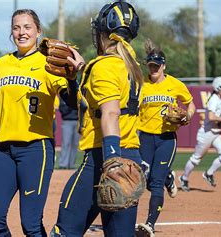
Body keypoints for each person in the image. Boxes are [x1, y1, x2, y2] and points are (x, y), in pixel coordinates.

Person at [0, 9, 78, 236]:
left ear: (38, 31)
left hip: (36, 149)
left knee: (31, 224)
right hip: (4, 150)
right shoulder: (1, 64)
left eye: (27, 27)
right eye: (16, 27)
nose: (21, 32)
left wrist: (72, 79)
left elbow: (71, 102)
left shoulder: (50, 64)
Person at [49, 1, 145, 236]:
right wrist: (76, 77)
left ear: (102, 31)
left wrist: (111, 161)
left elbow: (111, 112)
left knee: (64, 232)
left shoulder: (104, 66)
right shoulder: (133, 66)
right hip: (131, 158)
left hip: (102, 157)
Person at [135, 41, 196, 236]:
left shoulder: (175, 84)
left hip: (167, 139)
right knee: (143, 179)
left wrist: (187, 116)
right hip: (144, 137)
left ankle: (150, 225)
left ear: (164, 66)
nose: (153, 69)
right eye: (150, 65)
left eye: (157, 65)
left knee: (155, 182)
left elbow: (190, 104)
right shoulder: (141, 84)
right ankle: (169, 176)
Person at [179, 76, 221, 191]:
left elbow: (218, 117)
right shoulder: (214, 99)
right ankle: (184, 177)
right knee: (196, 159)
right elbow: (211, 117)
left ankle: (208, 174)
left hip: (216, 133)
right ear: (217, 88)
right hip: (206, 133)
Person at [58, 97, 79, 169]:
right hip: (67, 121)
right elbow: (62, 109)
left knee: (75, 144)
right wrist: (72, 105)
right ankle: (63, 164)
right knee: (66, 143)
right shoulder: (64, 96)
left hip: (77, 121)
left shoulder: (79, 95)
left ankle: (71, 164)